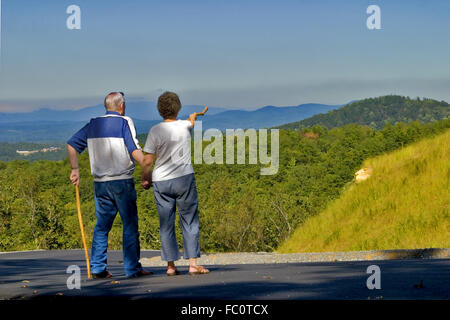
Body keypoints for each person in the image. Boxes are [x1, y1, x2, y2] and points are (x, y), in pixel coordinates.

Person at [67, 92, 153, 279]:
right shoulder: (124, 122)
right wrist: (146, 165)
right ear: (121, 106)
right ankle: (132, 268)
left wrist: (75, 169)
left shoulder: (93, 124)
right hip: (121, 181)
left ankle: (98, 268)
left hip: (100, 184)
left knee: (102, 226)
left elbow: (72, 145)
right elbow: (133, 150)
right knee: (129, 225)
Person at [141, 91, 210, 276]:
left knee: (166, 224)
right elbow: (191, 122)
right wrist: (193, 116)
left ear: (159, 110)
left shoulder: (155, 130)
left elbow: (147, 161)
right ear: (178, 107)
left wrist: (145, 178)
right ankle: (193, 264)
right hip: (184, 178)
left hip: (161, 181)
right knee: (189, 220)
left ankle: (170, 266)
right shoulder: (185, 126)